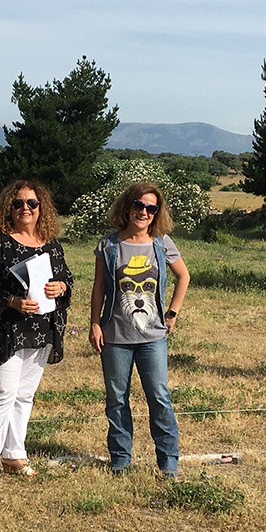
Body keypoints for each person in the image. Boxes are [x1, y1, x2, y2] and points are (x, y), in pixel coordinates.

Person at [0, 180, 72, 485]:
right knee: (2, 392)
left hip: (40, 330)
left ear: (42, 208)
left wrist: (61, 287)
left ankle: (14, 455)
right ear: (8, 208)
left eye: (32, 203)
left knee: (24, 395)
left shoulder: (52, 245)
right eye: (18, 203)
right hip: (6, 331)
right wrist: (12, 301)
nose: (25, 208)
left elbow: (67, 280)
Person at [89, 182, 190, 477]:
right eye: (138, 205)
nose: (143, 212)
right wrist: (95, 323)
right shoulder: (108, 245)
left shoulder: (162, 243)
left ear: (157, 213)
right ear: (127, 206)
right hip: (114, 336)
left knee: (159, 396)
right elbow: (99, 287)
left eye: (151, 208)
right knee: (116, 399)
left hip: (153, 337)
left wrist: (172, 313)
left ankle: (168, 461)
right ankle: (120, 459)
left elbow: (184, 276)